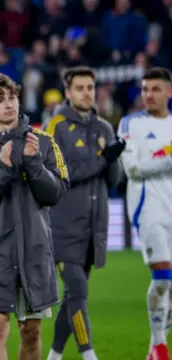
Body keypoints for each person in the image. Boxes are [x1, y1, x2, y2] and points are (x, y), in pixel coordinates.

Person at [0, 73, 69, 360]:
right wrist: (4, 169)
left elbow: (56, 193)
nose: (8, 104)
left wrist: (33, 164)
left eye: (12, 97)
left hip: (34, 250)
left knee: (31, 332)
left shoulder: (43, 142)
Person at [44, 66, 125, 360]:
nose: (87, 93)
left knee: (73, 296)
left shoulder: (104, 127)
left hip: (94, 225)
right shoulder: (56, 127)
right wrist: (104, 159)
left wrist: (114, 160)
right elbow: (64, 173)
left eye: (90, 87)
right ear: (68, 92)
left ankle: (54, 354)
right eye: (80, 88)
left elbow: (114, 180)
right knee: (77, 289)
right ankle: (88, 353)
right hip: (63, 226)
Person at [117, 67, 172, 360]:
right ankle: (160, 345)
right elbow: (133, 169)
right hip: (148, 209)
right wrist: (168, 161)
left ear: (169, 92)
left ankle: (154, 345)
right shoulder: (130, 124)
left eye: (155, 89)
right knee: (163, 278)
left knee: (170, 287)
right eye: (145, 89)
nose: (149, 95)